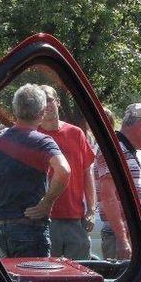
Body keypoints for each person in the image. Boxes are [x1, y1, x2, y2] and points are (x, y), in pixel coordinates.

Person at [0, 84, 70, 258]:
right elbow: (63, 170)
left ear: (15, 110)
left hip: (1, 231)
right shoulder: (43, 142)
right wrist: (47, 202)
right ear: (41, 113)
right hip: (31, 229)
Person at [93, 103, 141, 259]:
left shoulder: (125, 150)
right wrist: (123, 239)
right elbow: (108, 195)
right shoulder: (114, 149)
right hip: (125, 237)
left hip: (136, 236)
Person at [38, 85, 96, 260]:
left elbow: (88, 172)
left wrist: (91, 210)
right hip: (44, 219)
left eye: (50, 99)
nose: (47, 105)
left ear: (58, 102)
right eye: (41, 101)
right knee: (48, 280)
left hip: (75, 219)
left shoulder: (75, 133)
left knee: (80, 277)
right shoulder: (32, 135)